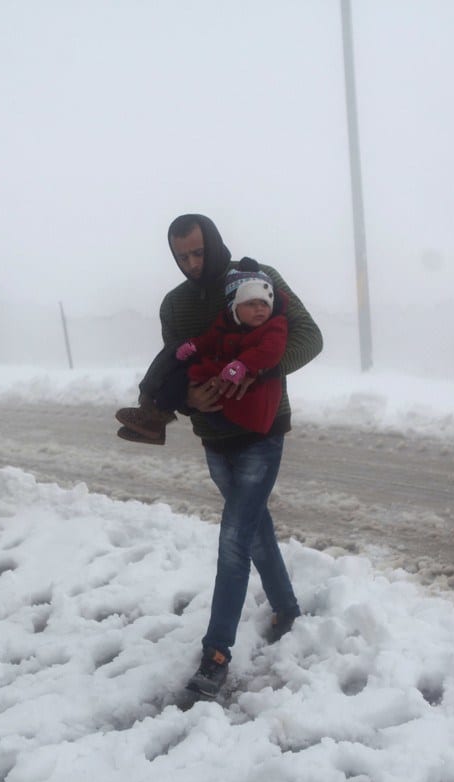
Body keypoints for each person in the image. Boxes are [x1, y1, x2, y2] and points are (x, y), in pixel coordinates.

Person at [125, 213, 323, 698]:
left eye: (198, 252)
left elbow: (308, 338)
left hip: (262, 430)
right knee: (253, 528)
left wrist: (257, 371)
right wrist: (188, 399)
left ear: (214, 244)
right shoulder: (175, 305)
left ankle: (216, 655)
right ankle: (288, 611)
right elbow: (178, 363)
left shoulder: (259, 279)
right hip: (213, 435)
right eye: (182, 257)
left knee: (234, 540)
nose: (192, 264)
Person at [114, 268, 288, 442]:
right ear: (235, 307)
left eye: (264, 303)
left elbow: (271, 351)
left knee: (185, 377)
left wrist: (243, 365)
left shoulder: (274, 326)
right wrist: (193, 346)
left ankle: (155, 418)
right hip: (221, 392)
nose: (259, 309)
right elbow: (210, 339)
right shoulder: (227, 321)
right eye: (250, 303)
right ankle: (152, 415)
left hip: (245, 404)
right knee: (178, 368)